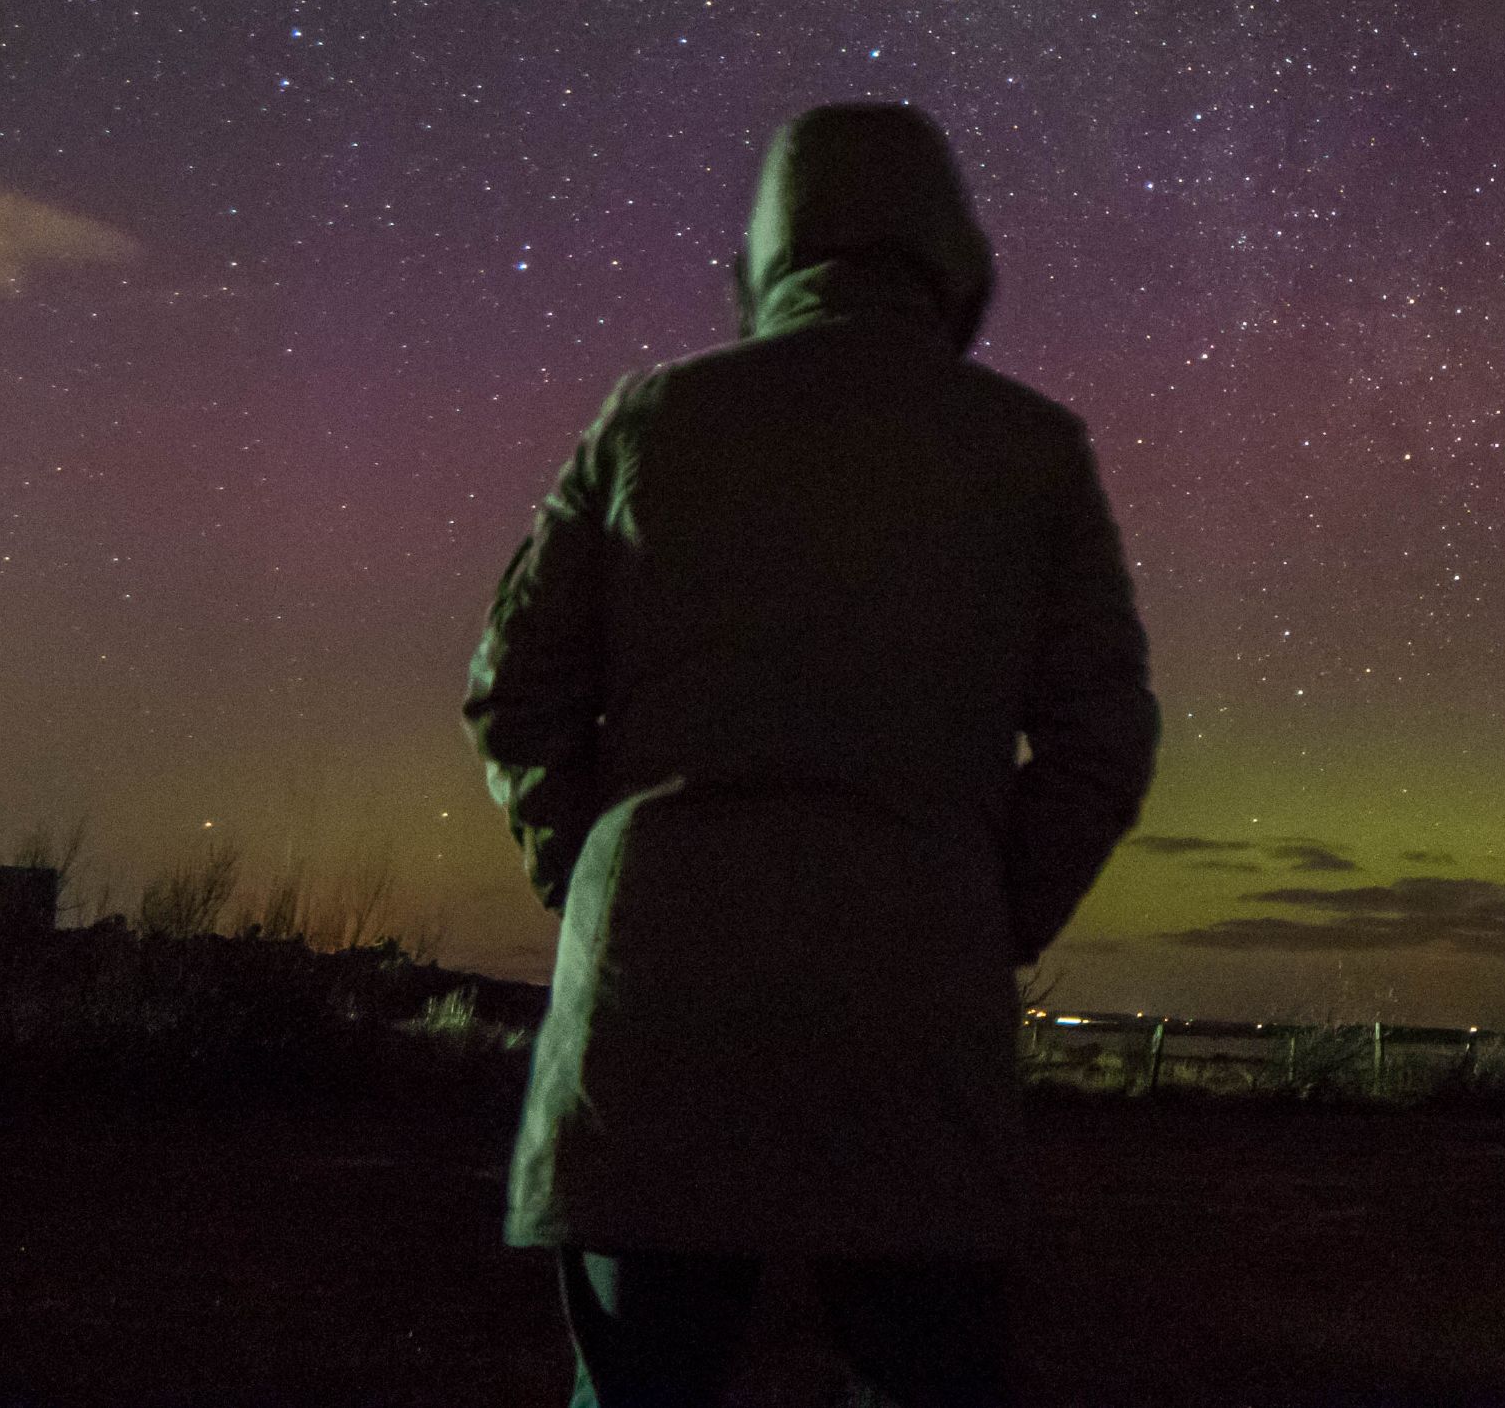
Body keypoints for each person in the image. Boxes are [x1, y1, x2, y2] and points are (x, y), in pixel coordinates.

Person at [465, 102, 1161, 1408]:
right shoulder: (1028, 450)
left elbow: (516, 688)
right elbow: (1101, 729)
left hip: (656, 1004)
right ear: (949, 251)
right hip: (910, 1005)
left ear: (770, 247)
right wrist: (985, 907)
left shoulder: (651, 420)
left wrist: (603, 885)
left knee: (640, 1387)